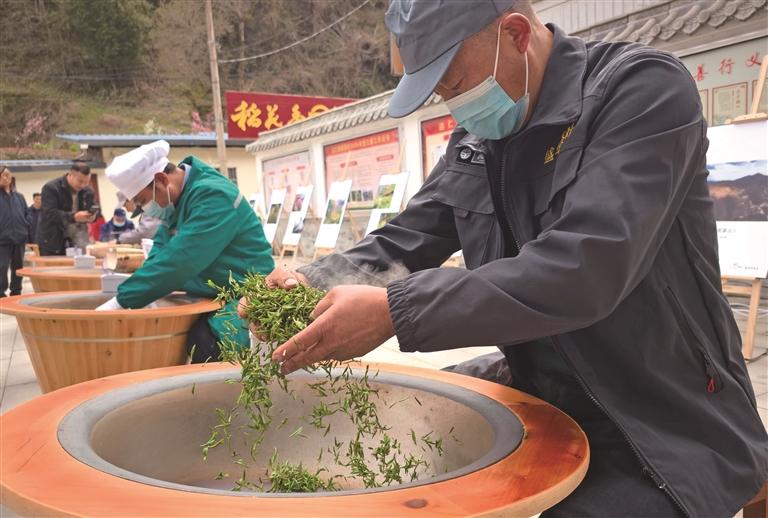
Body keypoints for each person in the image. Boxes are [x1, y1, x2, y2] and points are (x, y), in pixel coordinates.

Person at [239, 1, 768, 516]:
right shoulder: (479, 138)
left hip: (662, 414)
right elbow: (408, 237)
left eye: (455, 84)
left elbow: (585, 267)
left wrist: (394, 312)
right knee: (396, 418)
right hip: (544, 384)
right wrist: (309, 283)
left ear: (515, 34)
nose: (454, 106)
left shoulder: (640, 91)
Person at [96, 140, 274, 363]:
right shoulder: (177, 201)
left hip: (247, 294)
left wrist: (122, 300)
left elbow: (180, 260)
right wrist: (144, 292)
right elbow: (161, 251)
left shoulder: (213, 196)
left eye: (143, 201)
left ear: (161, 180)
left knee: (205, 342)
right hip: (213, 292)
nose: (145, 210)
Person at [37, 161, 95, 255]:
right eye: (80, 181)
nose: (83, 185)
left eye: (86, 182)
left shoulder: (87, 191)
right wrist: (74, 217)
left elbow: (93, 207)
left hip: (79, 239)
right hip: (52, 241)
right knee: (55, 265)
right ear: (70, 175)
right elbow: (50, 213)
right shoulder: (51, 188)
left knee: (82, 264)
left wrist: (93, 216)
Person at [0, 167, 30, 297]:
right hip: (2, 239)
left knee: (18, 266)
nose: (6, 177)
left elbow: (27, 214)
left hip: (19, 237)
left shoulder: (19, 197)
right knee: (2, 267)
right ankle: (1, 292)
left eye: (8, 174)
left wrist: (25, 226)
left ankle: (16, 291)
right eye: (3, 175)